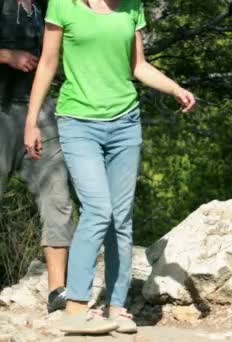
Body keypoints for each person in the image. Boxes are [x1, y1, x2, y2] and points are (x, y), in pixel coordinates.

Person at [24, 0, 196, 334]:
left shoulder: (132, 7)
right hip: (78, 122)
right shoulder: (63, 5)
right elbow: (47, 63)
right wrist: (31, 121)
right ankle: (75, 308)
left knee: (120, 216)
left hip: (125, 124)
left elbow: (138, 66)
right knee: (98, 209)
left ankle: (117, 307)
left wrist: (175, 89)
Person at [0, 0, 75, 314]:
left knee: (57, 196)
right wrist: (6, 55)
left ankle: (58, 292)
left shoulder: (49, 5)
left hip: (38, 109)